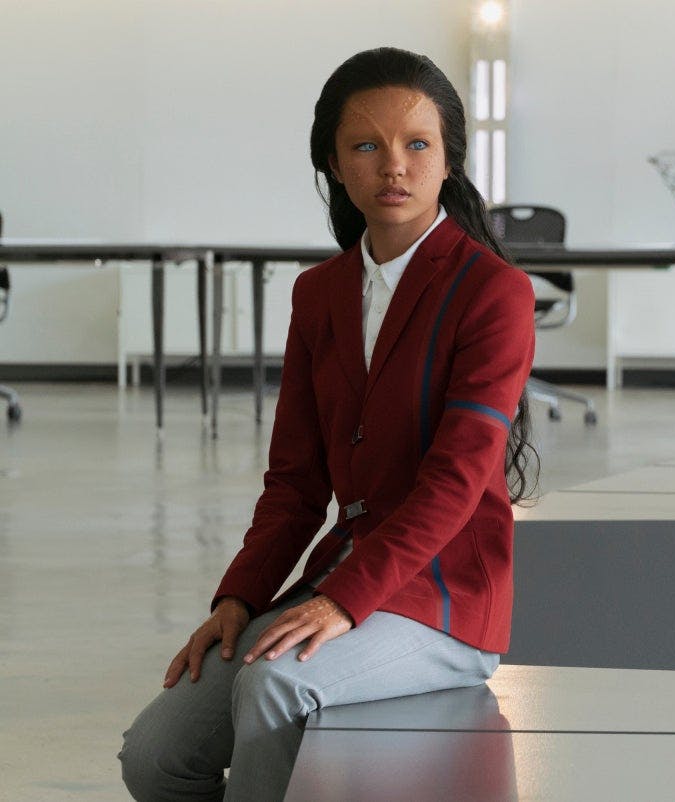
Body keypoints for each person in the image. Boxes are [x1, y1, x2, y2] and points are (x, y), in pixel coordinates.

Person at [119, 47, 537, 800]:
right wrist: (237, 599)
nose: (394, 167)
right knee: (156, 754)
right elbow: (296, 482)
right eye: (366, 146)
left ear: (450, 162)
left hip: (448, 597)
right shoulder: (320, 294)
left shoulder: (493, 292)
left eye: (417, 145)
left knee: (274, 685)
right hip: (344, 571)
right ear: (335, 165)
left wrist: (346, 599)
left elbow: (456, 481)